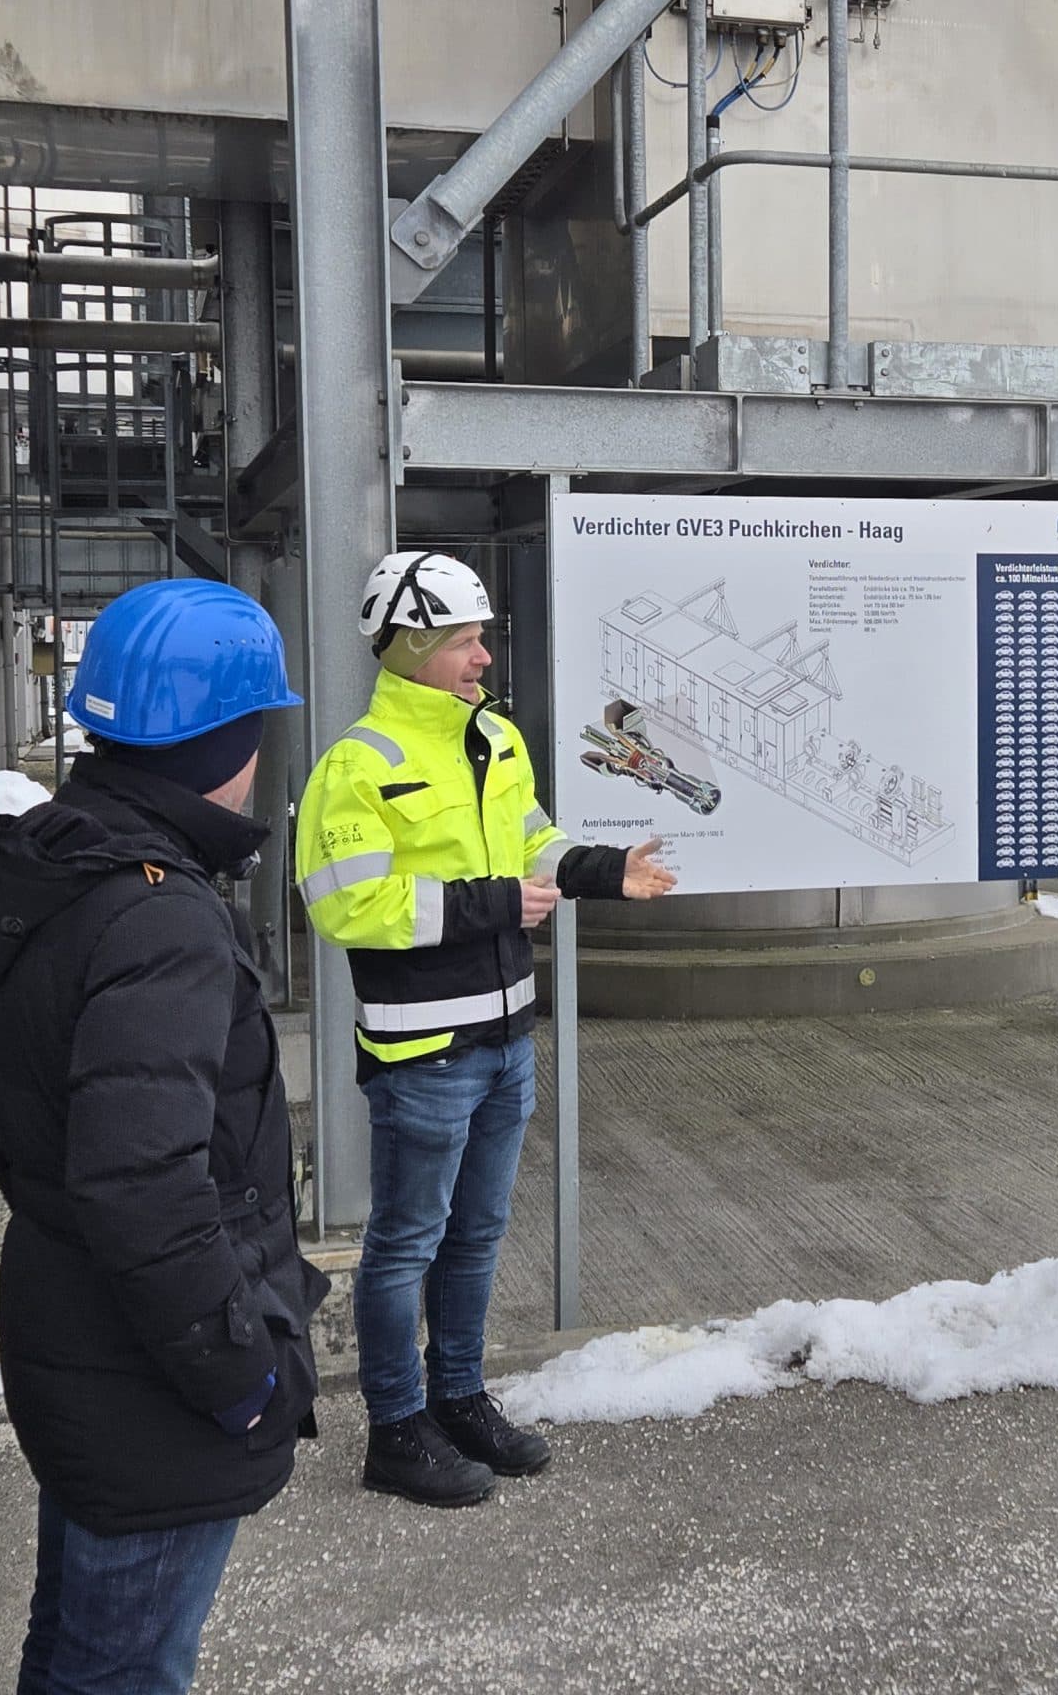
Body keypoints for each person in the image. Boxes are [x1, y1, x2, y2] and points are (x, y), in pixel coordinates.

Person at [0, 580, 321, 1695]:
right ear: (232, 738)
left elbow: (21, 1119)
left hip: (73, 1322)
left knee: (74, 1645)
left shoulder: (58, 862)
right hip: (146, 1370)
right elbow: (139, 1182)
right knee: (126, 1671)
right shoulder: (160, 914)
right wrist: (240, 1375)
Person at [295, 551, 678, 1509]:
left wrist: (598, 870)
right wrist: (497, 903)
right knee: (406, 1243)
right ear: (412, 647)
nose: (482, 656)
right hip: (421, 1055)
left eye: (481, 637)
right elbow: (348, 907)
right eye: (466, 640)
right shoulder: (358, 766)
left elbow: (532, 842)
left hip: (507, 1041)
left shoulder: (496, 741)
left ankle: (458, 1398)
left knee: (478, 1234)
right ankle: (395, 1427)